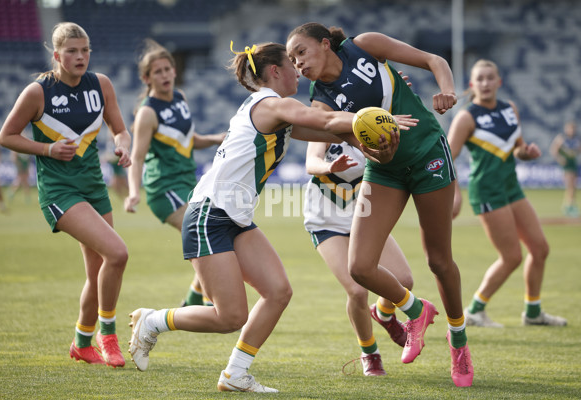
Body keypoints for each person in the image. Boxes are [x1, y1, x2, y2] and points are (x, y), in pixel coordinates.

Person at [128, 41, 415, 392]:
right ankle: (153, 321)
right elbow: (325, 118)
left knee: (278, 292)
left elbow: (330, 130)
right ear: (275, 72)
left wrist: (387, 99)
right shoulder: (271, 104)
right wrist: (370, 118)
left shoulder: (276, 111)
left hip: (234, 217)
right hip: (209, 214)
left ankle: (236, 375)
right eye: (291, 64)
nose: (298, 69)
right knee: (229, 316)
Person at [286, 22, 473, 387]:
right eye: (292, 60)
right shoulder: (321, 100)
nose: (298, 64)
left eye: (301, 53)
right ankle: (417, 312)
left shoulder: (365, 45)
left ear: (325, 44)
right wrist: (377, 150)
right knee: (359, 268)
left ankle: (459, 343)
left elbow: (435, 60)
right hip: (385, 172)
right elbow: (367, 150)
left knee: (438, 259)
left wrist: (447, 92)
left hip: (428, 155)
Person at [0, 22, 132, 367]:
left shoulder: (101, 84)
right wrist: (47, 149)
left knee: (98, 270)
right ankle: (108, 336)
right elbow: (6, 137)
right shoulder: (37, 92)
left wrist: (123, 146)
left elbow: (120, 129)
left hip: (93, 187)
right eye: (72, 51)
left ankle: (81, 343)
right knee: (117, 254)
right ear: (56, 55)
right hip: (59, 191)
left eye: (85, 50)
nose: (80, 56)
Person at [448, 59, 567, 328]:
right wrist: (455, 194)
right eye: (480, 79)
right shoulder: (466, 117)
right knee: (512, 256)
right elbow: (447, 158)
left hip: (511, 187)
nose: (486, 83)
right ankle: (475, 311)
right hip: (487, 190)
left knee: (540, 248)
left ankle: (533, 313)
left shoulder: (510, 109)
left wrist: (527, 152)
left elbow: (517, 148)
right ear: (472, 85)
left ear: (499, 81)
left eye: (491, 78)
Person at [124, 39, 226, 307]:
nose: (165, 75)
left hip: (187, 183)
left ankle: (193, 299)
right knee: (207, 233)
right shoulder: (147, 113)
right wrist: (134, 192)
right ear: (147, 78)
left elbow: (187, 139)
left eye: (167, 69)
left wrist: (216, 138)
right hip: (164, 190)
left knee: (214, 232)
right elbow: (136, 156)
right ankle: (210, 301)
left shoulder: (180, 98)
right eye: (157, 72)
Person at [303, 139, 414, 376]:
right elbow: (311, 162)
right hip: (326, 222)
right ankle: (370, 353)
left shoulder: (371, 128)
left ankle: (384, 314)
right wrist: (328, 167)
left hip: (363, 218)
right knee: (357, 291)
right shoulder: (325, 125)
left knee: (404, 280)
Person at [550, 121, 580, 217]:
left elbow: (578, 150)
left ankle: (570, 205)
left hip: (573, 164)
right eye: (570, 128)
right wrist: (560, 159)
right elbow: (554, 150)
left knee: (573, 186)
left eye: (573, 129)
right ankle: (568, 206)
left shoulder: (576, 139)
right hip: (566, 165)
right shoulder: (561, 138)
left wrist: (574, 153)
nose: (571, 131)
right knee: (570, 185)